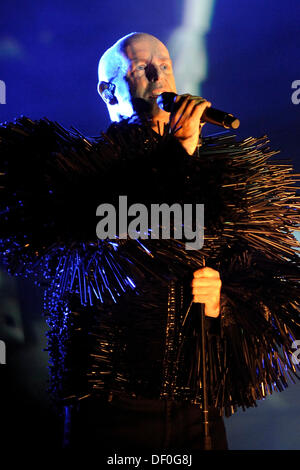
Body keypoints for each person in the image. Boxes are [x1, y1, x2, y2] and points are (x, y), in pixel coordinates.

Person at [0, 31, 299, 453]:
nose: (160, 76)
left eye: (166, 65)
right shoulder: (78, 172)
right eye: (142, 67)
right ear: (108, 90)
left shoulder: (214, 175)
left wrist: (223, 299)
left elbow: (268, 290)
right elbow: (124, 242)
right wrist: (179, 157)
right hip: (112, 410)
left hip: (198, 409)